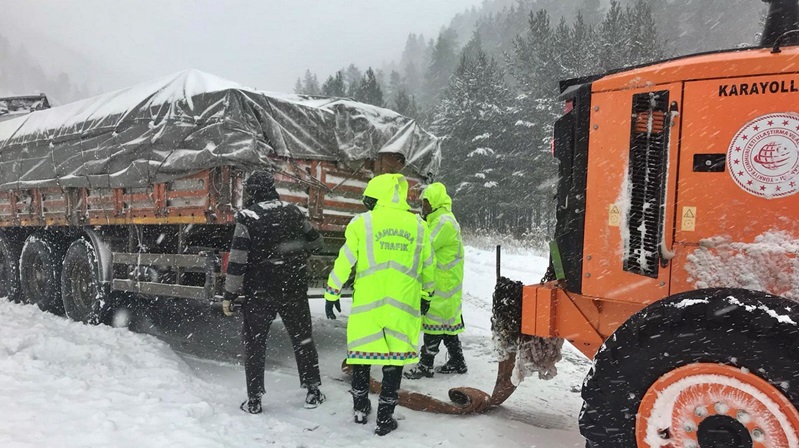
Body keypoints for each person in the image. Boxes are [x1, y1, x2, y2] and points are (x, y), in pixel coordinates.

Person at [324, 173, 434, 436]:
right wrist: (427, 295)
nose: (368, 205)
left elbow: (344, 260)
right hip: (403, 307)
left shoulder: (362, 223)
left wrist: (332, 292)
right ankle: (385, 417)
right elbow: (429, 267)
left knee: (361, 357)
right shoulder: (419, 226)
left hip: (368, 306)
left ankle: (361, 409)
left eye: (370, 200)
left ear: (377, 197)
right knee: (394, 363)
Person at [222, 170, 326, 414]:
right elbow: (317, 241)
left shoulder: (247, 217)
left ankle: (255, 400)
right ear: (272, 187)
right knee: (303, 339)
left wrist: (229, 294)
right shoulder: (293, 211)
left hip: (259, 292)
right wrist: (296, 252)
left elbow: (238, 261)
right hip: (293, 289)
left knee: (255, 344)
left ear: (251, 191)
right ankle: (312, 390)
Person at [404, 182, 467, 380]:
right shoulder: (440, 219)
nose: (424, 206)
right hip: (447, 281)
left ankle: (425, 365)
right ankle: (457, 361)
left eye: (426, 202)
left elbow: (425, 247)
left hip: (443, 283)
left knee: (434, 322)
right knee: (447, 324)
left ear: (436, 202)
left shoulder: (443, 222)